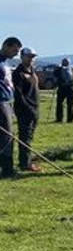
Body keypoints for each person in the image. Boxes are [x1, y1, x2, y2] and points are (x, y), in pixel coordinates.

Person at [13, 47, 41, 172]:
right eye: (29, 56)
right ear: (22, 56)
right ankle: (25, 163)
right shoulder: (18, 73)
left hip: (34, 109)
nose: (31, 59)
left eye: (33, 57)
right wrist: (29, 109)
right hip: (25, 111)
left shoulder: (32, 71)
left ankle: (26, 160)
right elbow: (19, 96)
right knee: (25, 138)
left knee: (29, 137)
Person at [0, 37, 22, 178]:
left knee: (6, 136)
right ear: (7, 46)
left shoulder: (5, 62)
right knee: (7, 137)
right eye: (14, 50)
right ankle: (7, 170)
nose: (16, 54)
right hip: (0, 102)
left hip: (8, 102)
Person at [54, 57, 73, 123]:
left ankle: (60, 119)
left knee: (60, 104)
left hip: (63, 88)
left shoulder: (60, 69)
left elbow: (55, 74)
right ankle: (70, 120)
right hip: (70, 88)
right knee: (70, 104)